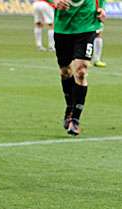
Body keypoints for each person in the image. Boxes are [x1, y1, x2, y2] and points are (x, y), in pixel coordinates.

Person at [53, 0, 106, 136]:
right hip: (63, 27)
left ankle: (75, 119)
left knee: (81, 71)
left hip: (87, 26)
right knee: (65, 72)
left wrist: (101, 8)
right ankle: (70, 107)